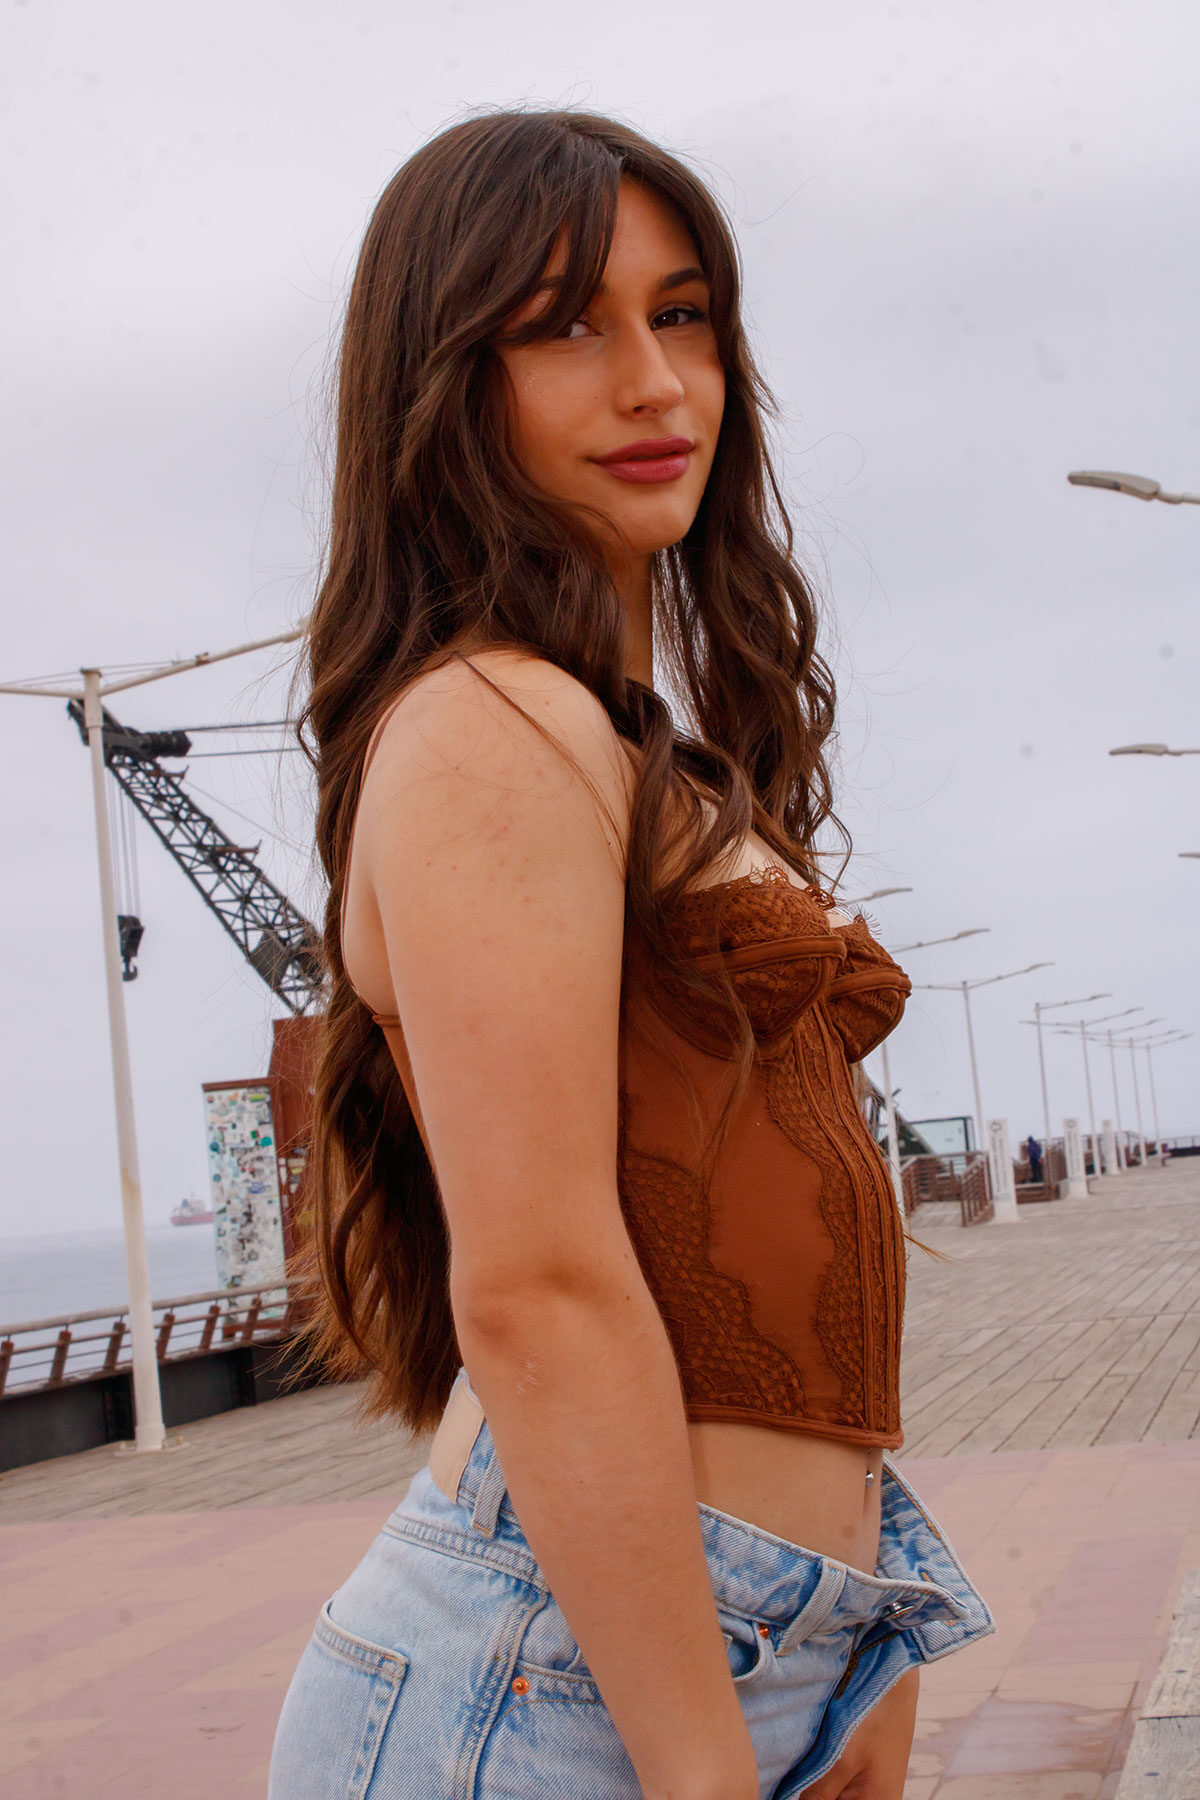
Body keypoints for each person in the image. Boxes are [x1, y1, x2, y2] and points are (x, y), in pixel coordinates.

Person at [268, 109, 994, 1800]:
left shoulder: (612, 734)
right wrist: (705, 1767)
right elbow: (538, 1287)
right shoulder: (490, 723)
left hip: (697, 1657)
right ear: (444, 384)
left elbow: (745, 1234)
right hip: (557, 1689)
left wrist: (858, 1642)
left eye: (683, 315)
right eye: (566, 329)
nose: (658, 384)